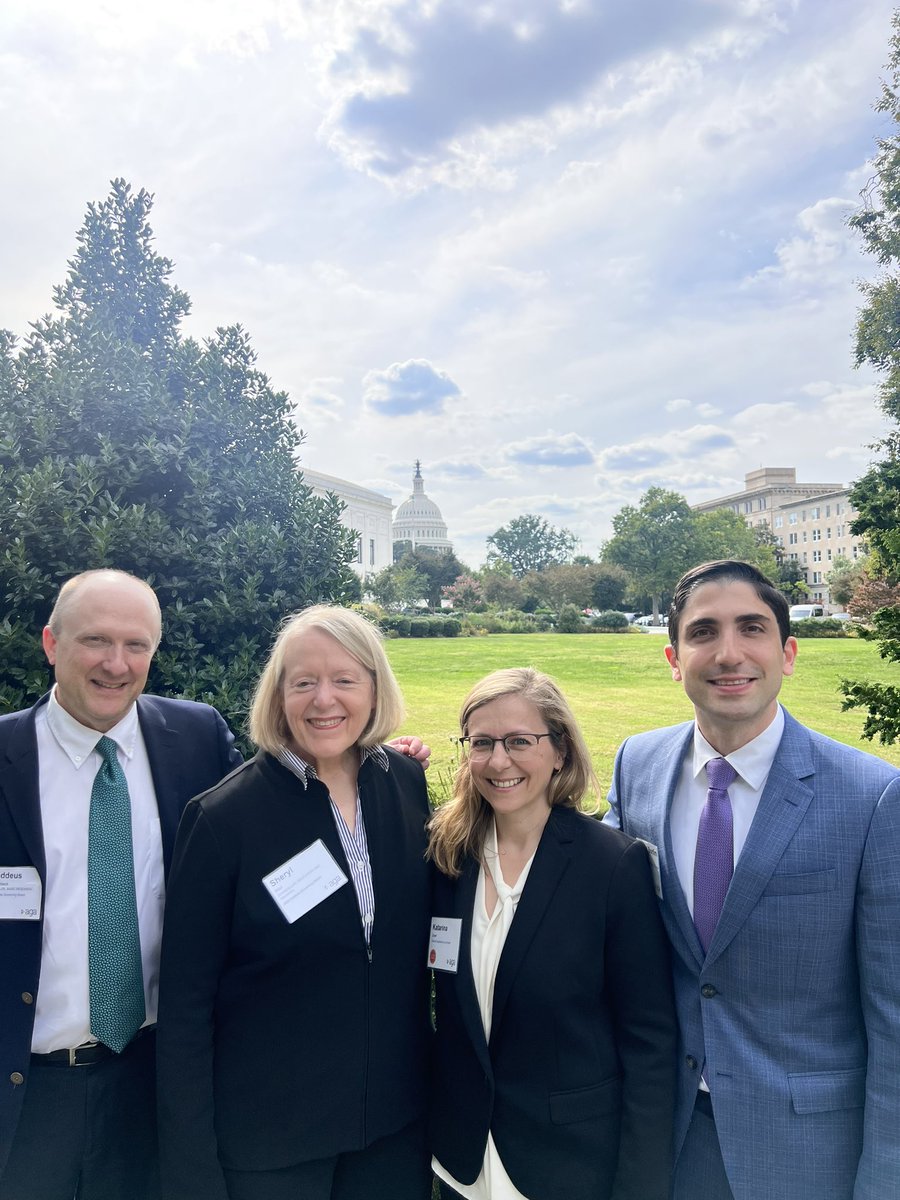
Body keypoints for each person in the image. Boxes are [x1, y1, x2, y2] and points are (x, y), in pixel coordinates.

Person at [604, 559, 900, 1200]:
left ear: (788, 653)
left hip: (809, 1153)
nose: (728, 653)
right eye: (703, 632)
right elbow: (588, 902)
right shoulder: (637, 766)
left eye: (752, 629)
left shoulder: (873, 797)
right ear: (674, 657)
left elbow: (893, 1017)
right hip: (668, 1140)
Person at [156, 604, 434, 1200]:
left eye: (344, 680)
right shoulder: (222, 819)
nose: (323, 700)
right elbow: (185, 1010)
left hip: (392, 1130)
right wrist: (191, 1167)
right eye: (302, 682)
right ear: (278, 696)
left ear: (375, 687)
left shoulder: (404, 783)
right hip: (269, 1144)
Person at [0, 569, 242, 1200]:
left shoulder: (197, 740)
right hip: (28, 1092)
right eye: (95, 641)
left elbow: (273, 825)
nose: (116, 663)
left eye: (136, 645)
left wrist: (375, 763)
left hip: (155, 1084)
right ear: (51, 643)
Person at [427, 667, 677, 1200]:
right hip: (462, 1163)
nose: (499, 761)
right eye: (483, 743)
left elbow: (649, 1041)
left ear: (560, 749)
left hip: (565, 1164)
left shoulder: (611, 867)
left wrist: (640, 1186)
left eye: (521, 741)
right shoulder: (447, 858)